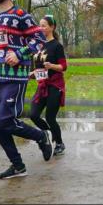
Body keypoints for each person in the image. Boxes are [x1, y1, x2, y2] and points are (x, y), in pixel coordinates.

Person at [0, 0, 53, 179]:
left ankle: (41, 136)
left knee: (5, 120)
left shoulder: (21, 15)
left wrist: (20, 54)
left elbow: (39, 40)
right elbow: (1, 46)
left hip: (16, 78)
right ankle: (18, 165)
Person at [29, 14, 67, 157]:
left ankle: (59, 143)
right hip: (42, 85)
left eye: (44, 25)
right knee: (33, 115)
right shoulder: (39, 45)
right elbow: (39, 67)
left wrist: (51, 66)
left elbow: (63, 66)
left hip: (55, 85)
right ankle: (48, 134)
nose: (41, 28)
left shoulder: (57, 46)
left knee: (50, 117)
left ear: (52, 27)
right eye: (40, 26)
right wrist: (33, 74)